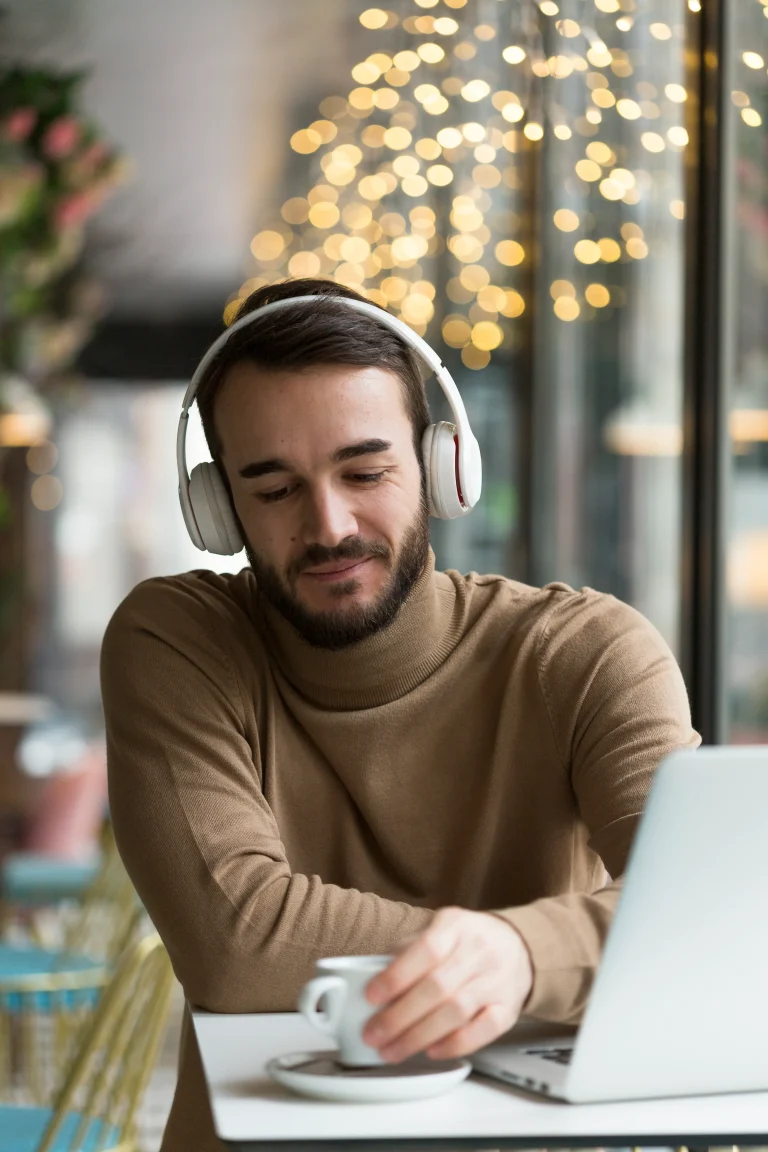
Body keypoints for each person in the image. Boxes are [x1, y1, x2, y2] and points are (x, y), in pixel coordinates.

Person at [100, 277, 699, 1152]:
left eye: (365, 470)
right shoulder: (176, 640)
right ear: (218, 509)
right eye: (273, 490)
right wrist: (530, 950)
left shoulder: (590, 652)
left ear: (443, 465)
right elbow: (237, 944)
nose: (329, 524)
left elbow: (707, 920)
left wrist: (521, 958)